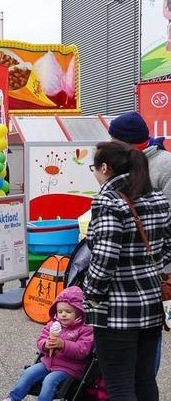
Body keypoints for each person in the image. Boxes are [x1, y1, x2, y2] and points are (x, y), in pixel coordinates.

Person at [82, 141, 171, 400]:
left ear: (105, 168)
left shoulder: (108, 201)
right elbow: (168, 245)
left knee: (119, 384)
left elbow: (105, 257)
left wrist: (92, 293)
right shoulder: (155, 196)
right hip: (152, 303)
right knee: (144, 379)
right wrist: (149, 266)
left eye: (94, 168)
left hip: (116, 309)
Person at [3, 286, 94, 401]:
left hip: (69, 368)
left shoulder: (85, 329)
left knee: (49, 381)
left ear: (79, 312)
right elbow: (40, 340)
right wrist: (45, 345)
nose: (63, 315)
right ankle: (13, 398)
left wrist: (63, 344)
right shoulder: (53, 324)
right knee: (28, 373)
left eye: (68, 311)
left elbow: (82, 350)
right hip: (48, 362)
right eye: (60, 311)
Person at [108, 111, 171, 204]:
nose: (110, 142)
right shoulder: (120, 161)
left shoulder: (167, 165)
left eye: (114, 139)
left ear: (126, 142)